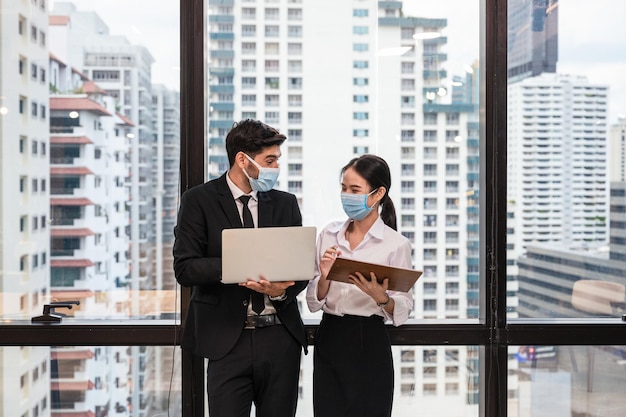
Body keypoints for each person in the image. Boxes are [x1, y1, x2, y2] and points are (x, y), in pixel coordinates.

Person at [173, 119, 308, 417]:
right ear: (242, 159)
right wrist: (238, 266)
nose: (276, 167)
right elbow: (185, 268)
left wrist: (279, 291)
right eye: (269, 160)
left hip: (279, 338)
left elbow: (299, 271)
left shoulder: (285, 204)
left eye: (277, 160)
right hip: (225, 341)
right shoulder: (199, 200)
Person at [306, 154, 414, 417]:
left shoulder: (396, 244)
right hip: (330, 334)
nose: (347, 195)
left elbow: (403, 308)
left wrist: (382, 298)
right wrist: (325, 276)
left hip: (370, 339)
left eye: (355, 190)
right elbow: (312, 302)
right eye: (344, 188)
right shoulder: (328, 234)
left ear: (378, 194)